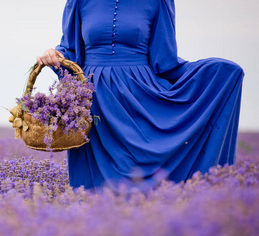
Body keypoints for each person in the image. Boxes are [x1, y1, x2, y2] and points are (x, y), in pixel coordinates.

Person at [37, 0, 244, 191]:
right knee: (96, 193)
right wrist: (55, 55)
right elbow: (71, 52)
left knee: (143, 178)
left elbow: (165, 61)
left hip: (138, 100)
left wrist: (217, 73)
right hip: (93, 103)